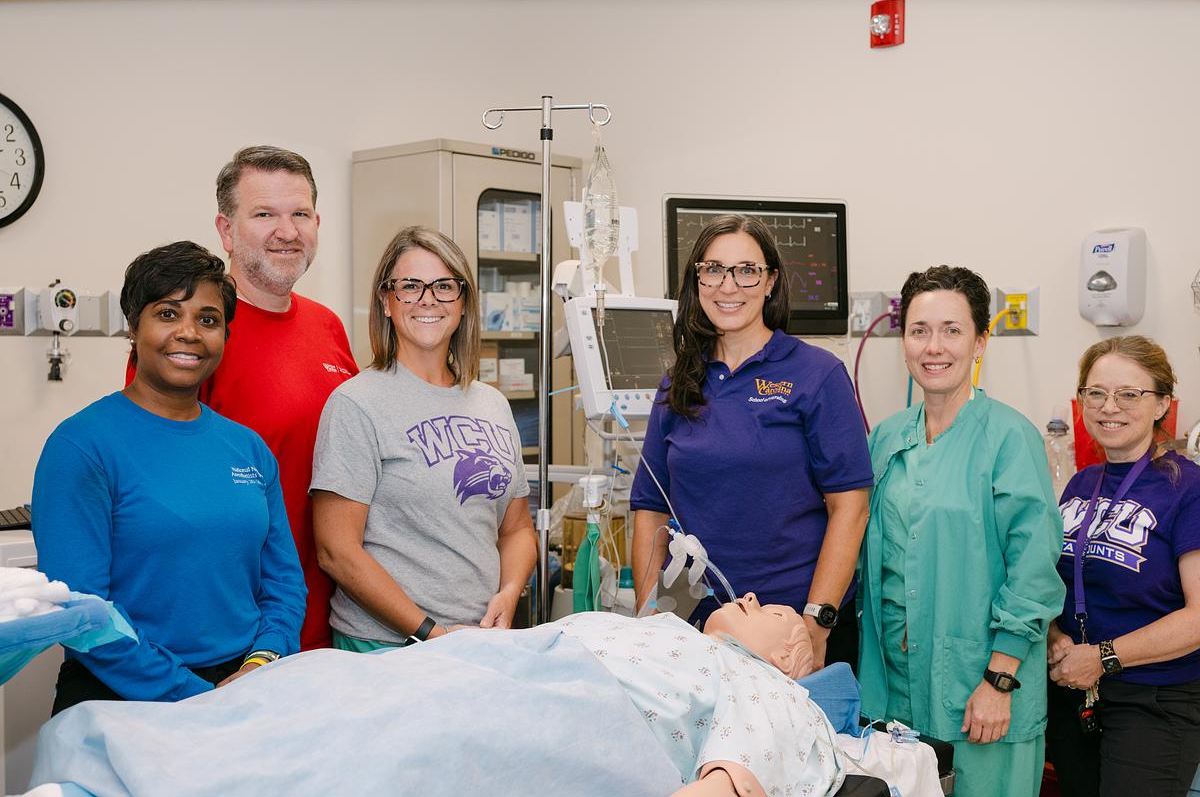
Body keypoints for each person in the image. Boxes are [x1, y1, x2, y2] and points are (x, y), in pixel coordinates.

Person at [29, 595, 845, 797]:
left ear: (786, 658)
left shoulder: (769, 690)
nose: (745, 599)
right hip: (502, 662)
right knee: (317, 684)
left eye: (767, 610)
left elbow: (738, 768)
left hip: (579, 710)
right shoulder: (664, 627)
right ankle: (102, 759)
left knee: (384, 744)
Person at [32, 241, 306, 714]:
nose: (189, 333)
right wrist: (191, 695)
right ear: (133, 327)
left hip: (246, 686)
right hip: (122, 694)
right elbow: (82, 612)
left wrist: (260, 665)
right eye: (167, 314)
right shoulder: (81, 446)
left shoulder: (248, 449)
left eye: (208, 319)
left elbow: (284, 584)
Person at [126, 146, 358, 651]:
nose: (287, 230)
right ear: (227, 230)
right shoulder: (193, 336)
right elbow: (153, 484)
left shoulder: (328, 327)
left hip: (328, 608)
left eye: (300, 214)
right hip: (228, 625)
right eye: (264, 214)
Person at [856, 265, 1065, 797]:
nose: (934, 346)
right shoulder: (885, 438)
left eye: (952, 330)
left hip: (984, 685)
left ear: (980, 341)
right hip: (895, 687)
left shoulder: (1008, 438)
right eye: (919, 330)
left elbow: (1034, 570)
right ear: (903, 341)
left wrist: (999, 679)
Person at [631, 214, 873, 670]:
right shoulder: (679, 382)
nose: (728, 286)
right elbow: (650, 508)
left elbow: (851, 508)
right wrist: (652, 622)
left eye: (746, 270)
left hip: (784, 630)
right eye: (714, 269)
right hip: (692, 625)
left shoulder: (815, 374)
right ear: (697, 279)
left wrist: (815, 625)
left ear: (770, 282)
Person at [311, 226, 537, 649]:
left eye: (444, 286)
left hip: (479, 638)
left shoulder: (491, 404)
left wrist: (509, 593)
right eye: (410, 286)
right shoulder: (357, 403)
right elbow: (337, 551)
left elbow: (517, 529)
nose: (428, 299)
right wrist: (430, 633)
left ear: (464, 301)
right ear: (386, 301)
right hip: (389, 646)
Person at [1045, 335, 1200, 797]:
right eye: (1096, 392)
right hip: (1075, 691)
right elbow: (1057, 583)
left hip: (1153, 699)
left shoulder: (1187, 489)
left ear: (1162, 405)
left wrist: (1103, 657)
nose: (1109, 406)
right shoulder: (1080, 483)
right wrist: (1055, 639)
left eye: (1129, 394)